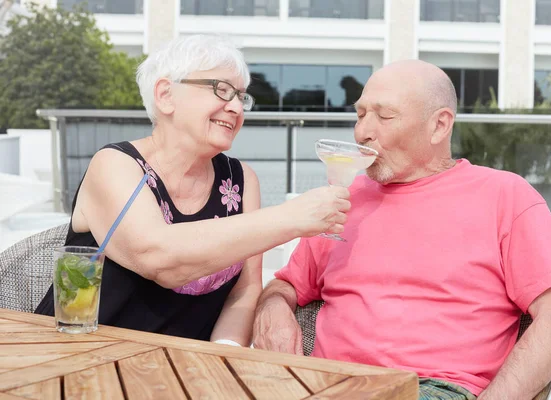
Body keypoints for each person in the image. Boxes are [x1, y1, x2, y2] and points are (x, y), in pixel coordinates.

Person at [252, 60, 551, 399]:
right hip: (327, 384)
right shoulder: (342, 202)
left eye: (384, 117)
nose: (362, 132)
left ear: (439, 125)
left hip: (431, 388)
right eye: (360, 115)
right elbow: (287, 284)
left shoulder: (504, 196)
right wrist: (273, 308)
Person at [35, 34, 350, 347]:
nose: (236, 108)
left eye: (241, 96)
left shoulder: (241, 180)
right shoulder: (115, 164)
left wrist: (223, 356)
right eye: (222, 90)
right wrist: (290, 218)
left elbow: (245, 289)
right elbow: (159, 258)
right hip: (78, 354)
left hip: (182, 371)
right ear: (166, 95)